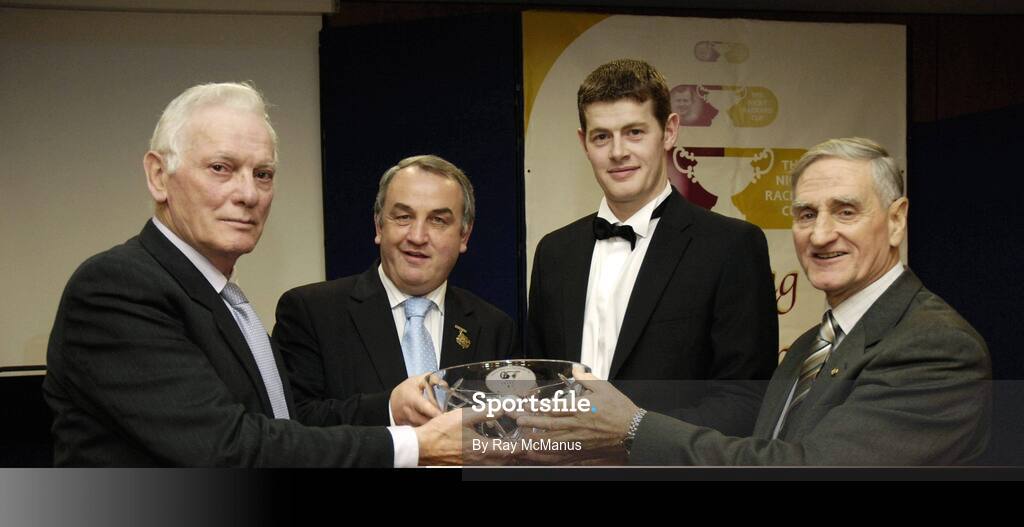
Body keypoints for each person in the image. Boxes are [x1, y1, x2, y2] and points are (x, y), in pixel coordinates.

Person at [43, 82, 464, 467]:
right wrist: (416, 445)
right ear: (158, 176)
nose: (248, 194)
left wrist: (390, 407)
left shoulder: (223, 298)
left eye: (262, 174)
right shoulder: (117, 289)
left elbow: (282, 422)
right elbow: (227, 445)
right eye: (221, 168)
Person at [520, 137, 992, 465]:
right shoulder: (813, 345)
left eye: (845, 211)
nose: (821, 234)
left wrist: (633, 426)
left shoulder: (936, 348)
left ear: (895, 220)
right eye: (806, 214)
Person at [527, 58, 777, 436]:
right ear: (584, 143)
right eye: (601, 136)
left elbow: (746, 401)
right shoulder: (554, 253)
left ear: (670, 131)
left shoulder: (731, 247)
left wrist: (632, 434)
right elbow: (539, 384)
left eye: (634, 132)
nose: (617, 152)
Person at [273, 155, 518, 428]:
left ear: (464, 236)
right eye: (403, 217)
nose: (417, 236)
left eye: (437, 220)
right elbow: (294, 424)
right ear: (379, 225)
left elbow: (507, 432)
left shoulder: (494, 328)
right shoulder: (311, 312)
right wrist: (389, 409)